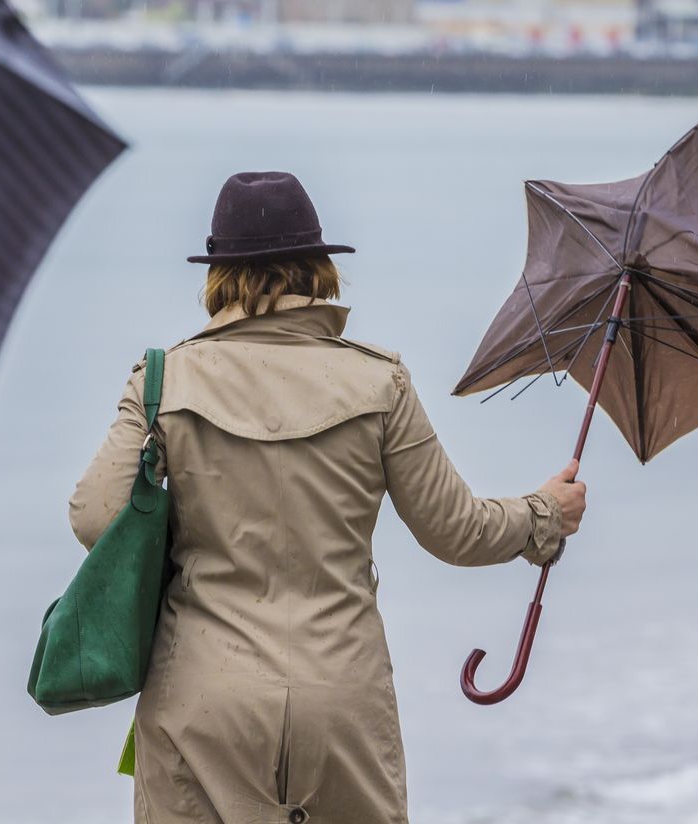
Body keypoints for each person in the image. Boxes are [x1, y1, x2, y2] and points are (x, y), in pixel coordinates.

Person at [68, 171, 587, 824]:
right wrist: (545, 514)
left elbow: (94, 516)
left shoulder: (163, 382)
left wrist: (189, 540)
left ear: (218, 277)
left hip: (201, 693)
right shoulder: (378, 381)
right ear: (319, 268)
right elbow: (457, 532)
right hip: (340, 694)